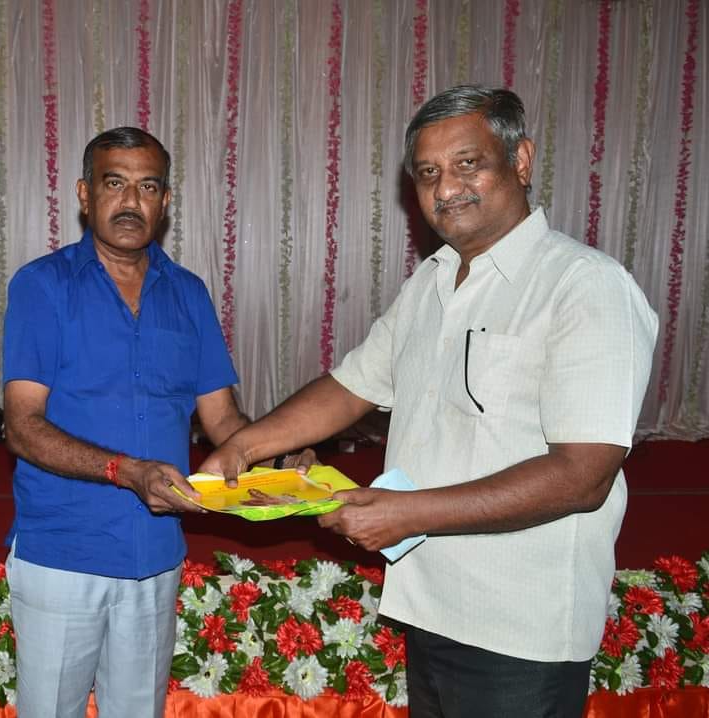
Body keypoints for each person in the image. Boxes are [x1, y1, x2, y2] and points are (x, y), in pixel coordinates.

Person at [199, 85, 658, 718]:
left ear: (521, 161)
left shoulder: (586, 287)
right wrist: (242, 447)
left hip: (520, 630)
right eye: (428, 173)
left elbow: (583, 476)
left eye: (469, 164)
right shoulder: (432, 279)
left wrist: (408, 514)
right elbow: (351, 386)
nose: (447, 189)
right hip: (431, 608)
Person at [1, 127, 250, 717]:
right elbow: (22, 426)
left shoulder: (188, 294)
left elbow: (224, 420)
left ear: (165, 201)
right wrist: (125, 471)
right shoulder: (42, 286)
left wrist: (286, 454)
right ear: (85, 194)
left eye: (148, 187)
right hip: (62, 553)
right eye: (115, 184)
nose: (131, 201)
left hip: (155, 555)